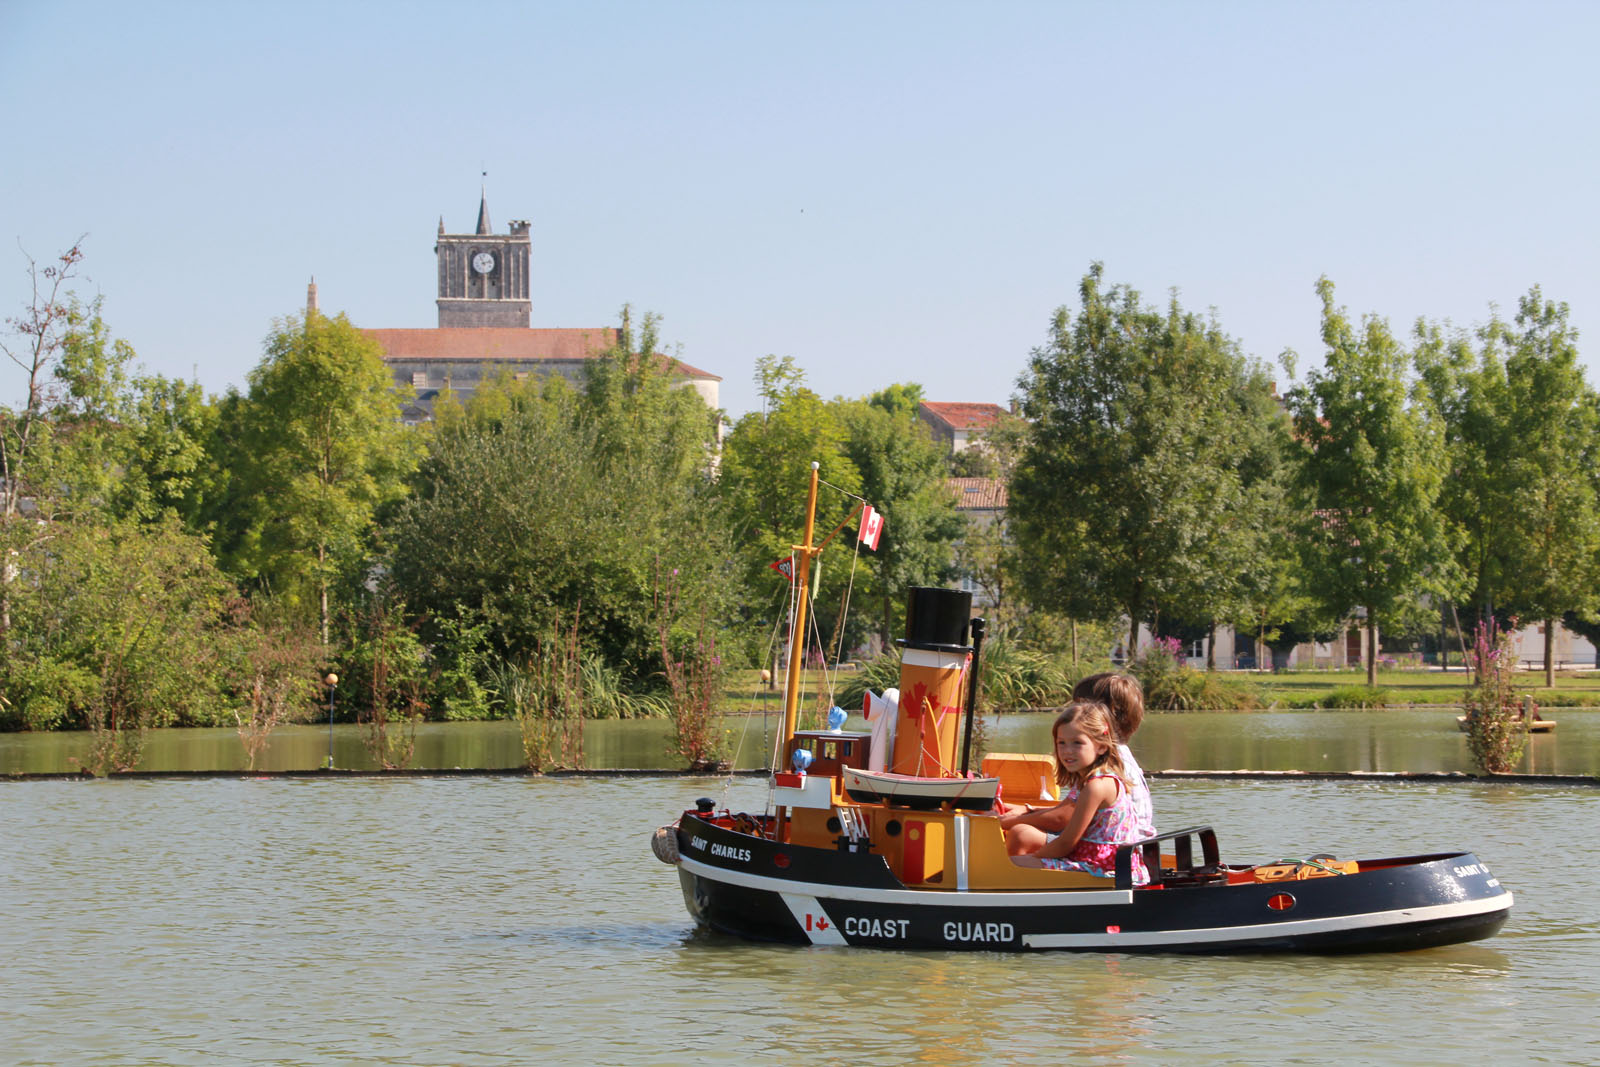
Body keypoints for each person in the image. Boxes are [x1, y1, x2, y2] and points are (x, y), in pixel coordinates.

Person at [1000, 672, 1155, 854]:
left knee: (1022, 835)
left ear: (1104, 713)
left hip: (1119, 853)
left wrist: (1003, 821)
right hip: (1124, 848)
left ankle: (1012, 878)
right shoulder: (1104, 755)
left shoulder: (1105, 765)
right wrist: (1026, 810)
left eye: (1081, 705)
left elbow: (1061, 818)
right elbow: (1070, 809)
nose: (1074, 712)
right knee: (1024, 829)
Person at [1010, 700, 1149, 883]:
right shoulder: (1093, 780)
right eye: (1062, 743)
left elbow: (1066, 843)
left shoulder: (1096, 786)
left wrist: (1035, 857)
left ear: (1101, 746)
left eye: (1077, 743)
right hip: (1096, 860)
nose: (1068, 751)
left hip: (1103, 867)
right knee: (1018, 848)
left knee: (1011, 865)